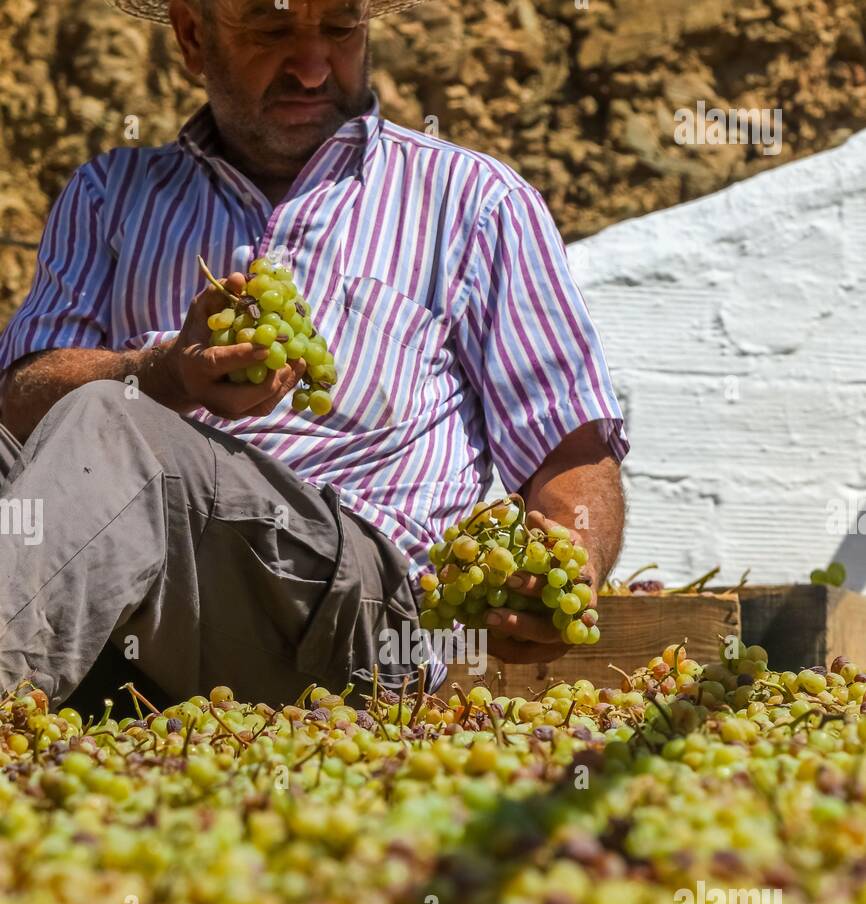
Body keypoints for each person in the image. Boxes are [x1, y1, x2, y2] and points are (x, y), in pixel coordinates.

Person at [0, 0, 628, 709]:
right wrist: (164, 372)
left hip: (349, 617)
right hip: (131, 617)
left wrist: (567, 569)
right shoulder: (108, 196)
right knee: (75, 428)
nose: (312, 65)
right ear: (192, 36)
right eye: (271, 30)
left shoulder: (475, 203)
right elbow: (18, 405)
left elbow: (571, 448)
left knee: (111, 426)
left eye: (339, 28)